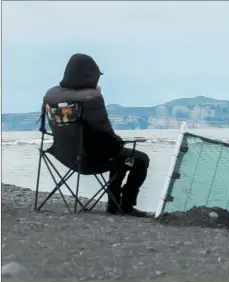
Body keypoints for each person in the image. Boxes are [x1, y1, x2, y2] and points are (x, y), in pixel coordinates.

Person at [43, 53, 150, 217]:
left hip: (64, 155)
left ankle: (114, 205)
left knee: (119, 155)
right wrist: (119, 143)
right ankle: (125, 205)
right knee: (137, 159)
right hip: (91, 160)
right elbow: (104, 132)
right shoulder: (91, 98)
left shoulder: (51, 97)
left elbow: (47, 127)